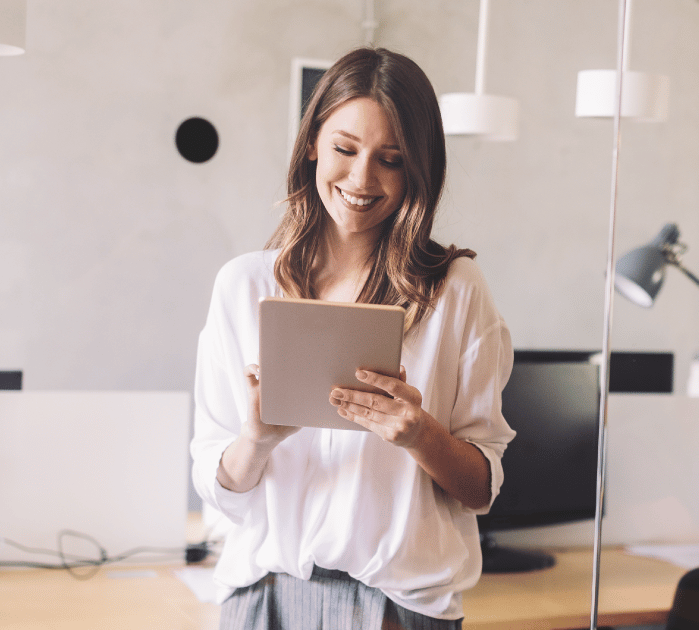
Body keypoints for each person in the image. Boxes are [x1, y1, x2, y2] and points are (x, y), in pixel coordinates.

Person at [189, 46, 515, 629]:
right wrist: (257, 440)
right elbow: (220, 488)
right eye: (344, 149)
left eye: (391, 159)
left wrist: (421, 436)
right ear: (312, 141)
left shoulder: (455, 290)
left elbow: (480, 488)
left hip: (398, 605)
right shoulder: (242, 285)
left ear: (417, 167)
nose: (362, 179)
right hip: (263, 597)